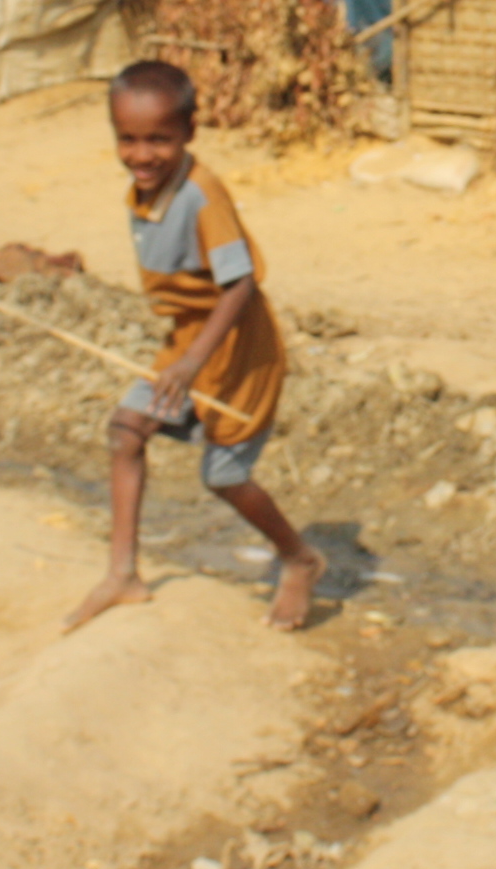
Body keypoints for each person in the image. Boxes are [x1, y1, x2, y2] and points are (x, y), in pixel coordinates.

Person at [64, 60, 325, 633]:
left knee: (224, 477)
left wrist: (190, 363)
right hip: (186, 342)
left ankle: (299, 559)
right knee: (125, 430)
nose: (142, 155)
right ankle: (122, 574)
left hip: (236, 353)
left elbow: (240, 284)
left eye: (158, 140)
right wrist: (181, 355)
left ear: (189, 133)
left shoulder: (204, 196)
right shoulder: (144, 189)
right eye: (127, 140)